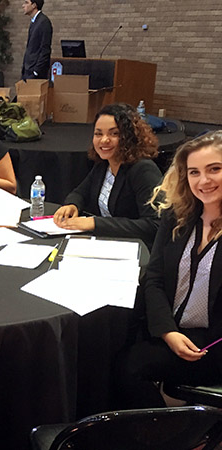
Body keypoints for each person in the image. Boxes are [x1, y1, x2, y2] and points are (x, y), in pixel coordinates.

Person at [117, 131, 222, 408]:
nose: (204, 181)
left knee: (128, 369)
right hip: (169, 327)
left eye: (215, 169)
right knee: (104, 348)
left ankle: (173, 434)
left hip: (214, 340)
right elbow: (154, 278)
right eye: (194, 172)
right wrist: (167, 331)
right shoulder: (177, 215)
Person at [53, 103, 162, 249]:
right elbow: (81, 192)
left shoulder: (143, 170)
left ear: (129, 137)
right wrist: (72, 205)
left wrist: (94, 223)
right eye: (98, 133)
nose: (104, 140)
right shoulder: (104, 164)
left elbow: (154, 225)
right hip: (109, 243)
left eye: (114, 133)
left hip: (137, 250)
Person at [21, 0, 53, 80]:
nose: (23, 6)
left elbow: (45, 49)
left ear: (34, 5)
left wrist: (36, 71)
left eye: (26, 2)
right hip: (28, 71)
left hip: (35, 74)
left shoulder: (44, 22)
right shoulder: (34, 22)